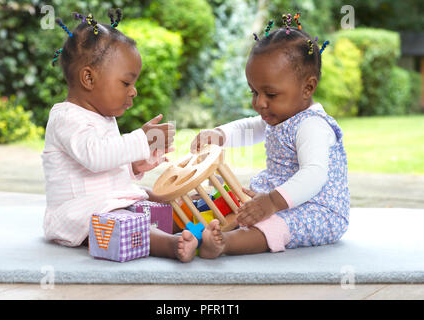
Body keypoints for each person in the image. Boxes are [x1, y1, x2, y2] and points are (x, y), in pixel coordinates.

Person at [42, 10, 198, 262]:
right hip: (77, 212)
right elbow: (95, 157)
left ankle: (189, 211)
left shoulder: (105, 117)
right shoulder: (65, 118)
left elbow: (107, 170)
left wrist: (133, 166)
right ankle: (169, 244)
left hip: (106, 199)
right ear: (89, 78)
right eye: (126, 83)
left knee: (148, 193)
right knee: (122, 221)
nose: (134, 91)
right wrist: (140, 139)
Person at [190, 16, 350, 259]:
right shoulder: (280, 115)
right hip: (277, 196)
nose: (259, 103)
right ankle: (200, 224)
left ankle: (225, 243)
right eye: (254, 92)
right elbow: (250, 128)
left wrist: (272, 203)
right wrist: (220, 135)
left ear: (308, 88)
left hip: (316, 209)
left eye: (271, 94)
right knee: (236, 201)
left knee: (271, 226)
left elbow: (314, 175)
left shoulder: (313, 126)